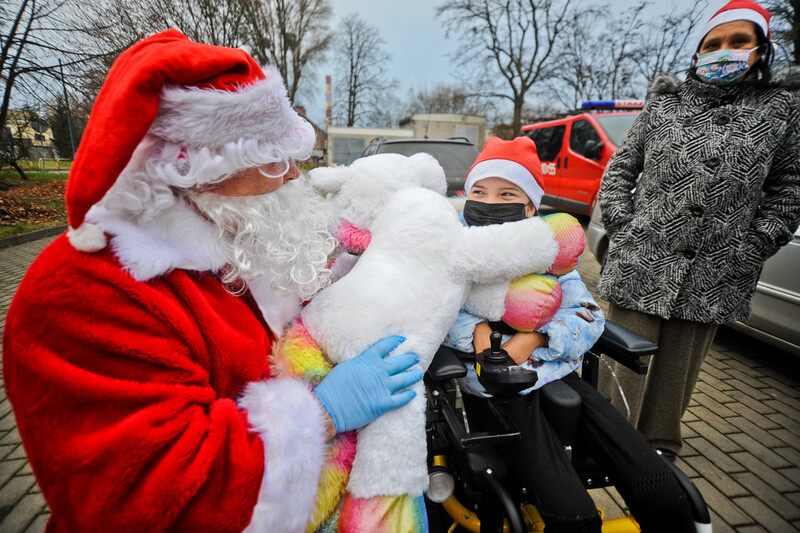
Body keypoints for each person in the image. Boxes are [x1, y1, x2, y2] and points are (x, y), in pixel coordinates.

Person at [2, 30, 424, 533]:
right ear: (190, 170)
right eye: (272, 160)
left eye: (293, 155)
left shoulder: (234, 228)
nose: (293, 176)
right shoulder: (84, 292)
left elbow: (296, 296)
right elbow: (154, 494)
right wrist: (323, 414)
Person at [443, 136, 695, 533]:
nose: (490, 202)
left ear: (530, 206)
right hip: (495, 387)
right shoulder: (453, 248)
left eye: (506, 192)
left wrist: (536, 339)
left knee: (659, 487)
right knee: (573, 515)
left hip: (557, 373)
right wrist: (477, 333)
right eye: (480, 191)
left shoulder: (550, 252)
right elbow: (437, 308)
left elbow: (588, 314)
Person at [597, 0, 800, 462]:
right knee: (624, 361)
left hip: (717, 264)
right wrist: (622, 224)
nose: (724, 51)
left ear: (760, 49)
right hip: (643, 257)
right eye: (713, 43)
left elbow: (790, 186)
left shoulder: (782, 109)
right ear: (697, 53)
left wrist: (755, 245)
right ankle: (606, 441)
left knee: (676, 372)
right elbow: (621, 169)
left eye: (738, 41)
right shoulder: (665, 104)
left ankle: (657, 448)